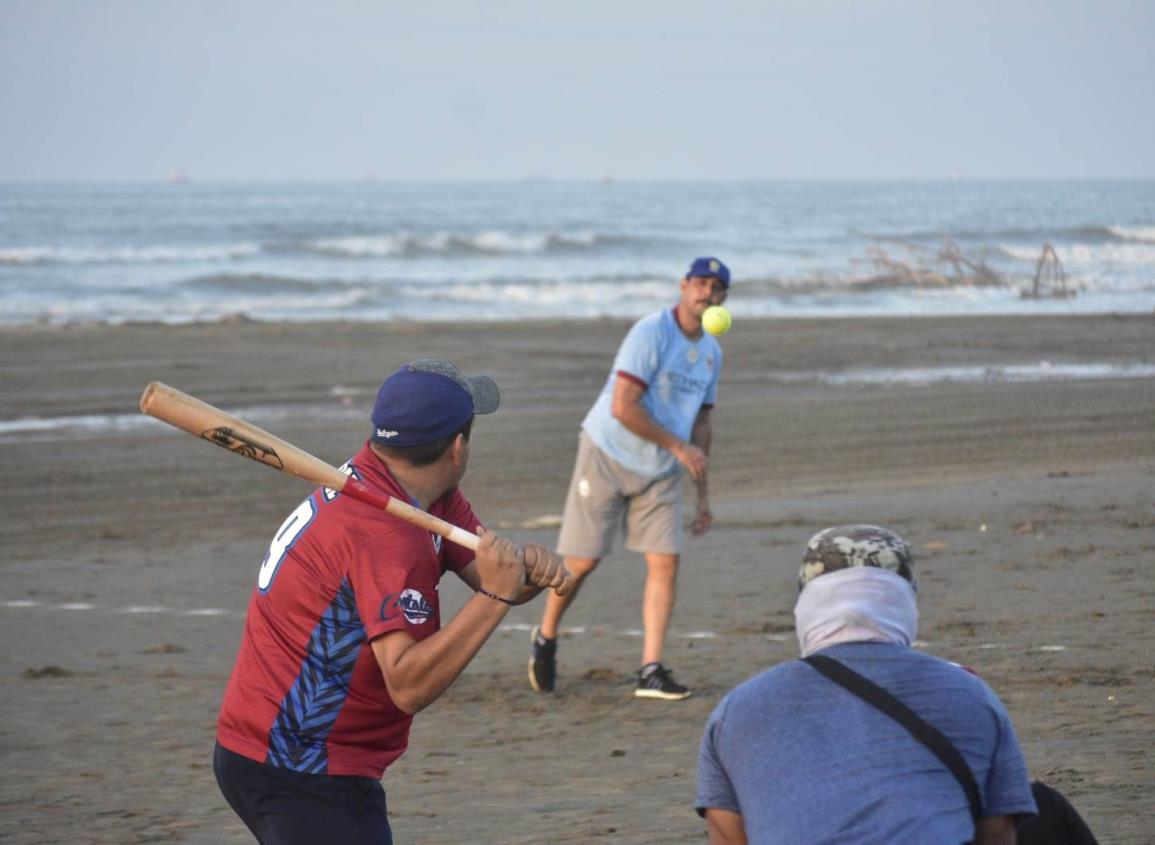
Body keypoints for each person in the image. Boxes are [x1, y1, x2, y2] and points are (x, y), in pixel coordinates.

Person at [213, 359, 570, 845]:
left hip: (281, 749)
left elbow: (489, 571)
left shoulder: (417, 490)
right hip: (298, 768)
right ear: (458, 446)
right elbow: (408, 683)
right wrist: (495, 595)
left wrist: (522, 571)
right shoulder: (385, 537)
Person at [696, 524, 1039, 844]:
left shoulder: (736, 711)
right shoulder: (970, 694)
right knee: (1047, 809)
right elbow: (997, 834)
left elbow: (727, 836)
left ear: (805, 601)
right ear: (905, 598)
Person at [528, 256, 731, 701]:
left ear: (723, 299)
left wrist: (703, 497)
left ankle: (651, 670)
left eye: (717, 288)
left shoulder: (712, 352)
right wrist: (678, 447)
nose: (707, 294)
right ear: (683, 286)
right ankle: (545, 637)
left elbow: (702, 426)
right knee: (581, 562)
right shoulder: (650, 332)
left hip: (660, 470)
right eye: (700, 283)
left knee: (665, 561)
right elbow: (623, 406)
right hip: (607, 452)